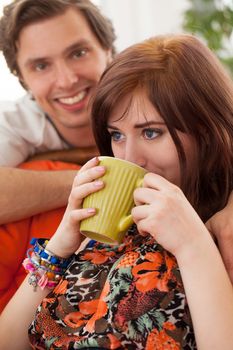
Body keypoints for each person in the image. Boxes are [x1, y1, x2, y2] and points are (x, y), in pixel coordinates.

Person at [1, 33, 233, 350]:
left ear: (203, 132)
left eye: (151, 132)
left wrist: (193, 245)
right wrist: (60, 245)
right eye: (116, 134)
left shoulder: (223, 232)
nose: (127, 157)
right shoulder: (111, 226)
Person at [0, 0, 115, 224]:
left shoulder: (149, 97)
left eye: (78, 53)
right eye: (41, 66)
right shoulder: (14, 122)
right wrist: (91, 182)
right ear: (22, 78)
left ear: (107, 50)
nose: (66, 81)